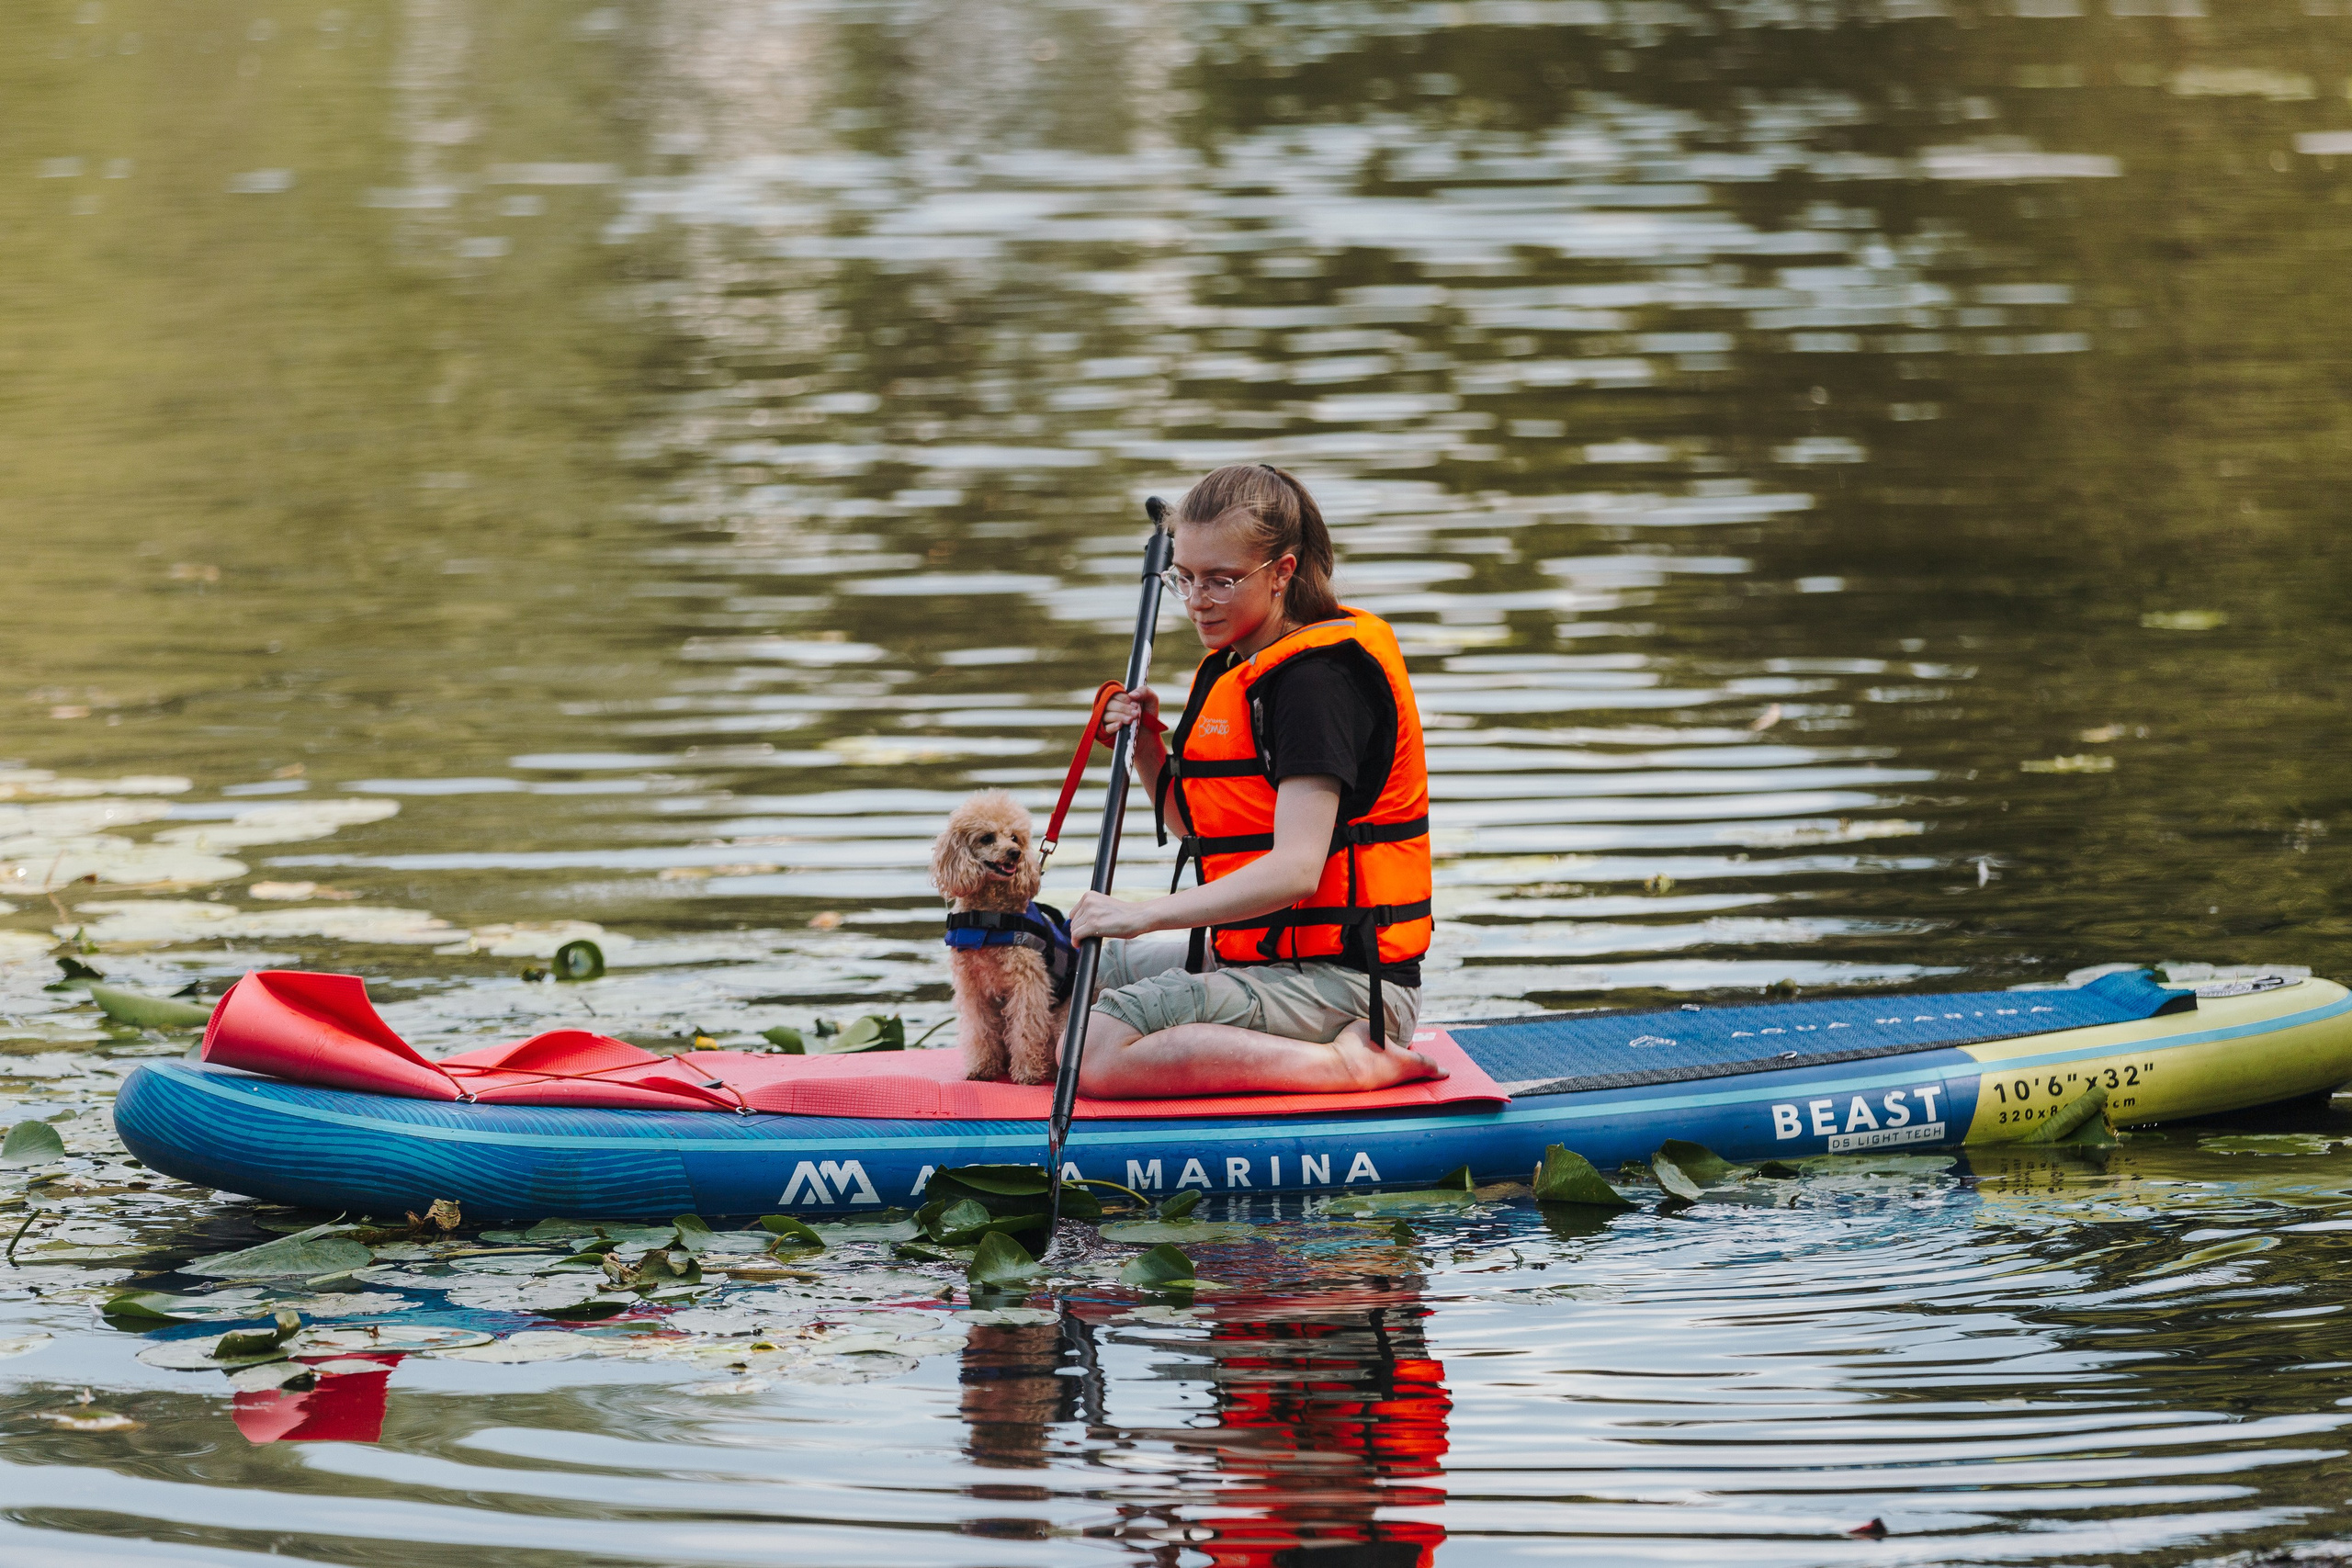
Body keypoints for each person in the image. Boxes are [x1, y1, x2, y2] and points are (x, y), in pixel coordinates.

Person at [1067, 463, 1443, 1098]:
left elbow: (1295, 870)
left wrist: (1142, 915)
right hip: (1267, 954)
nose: (1196, 600)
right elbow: (1203, 831)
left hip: (1349, 983)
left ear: (1283, 573)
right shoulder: (1238, 666)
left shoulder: (1316, 685)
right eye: (1183, 577)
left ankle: (1347, 1065)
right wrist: (1146, 747)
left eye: (1221, 580)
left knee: (1096, 1049)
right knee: (1077, 968)